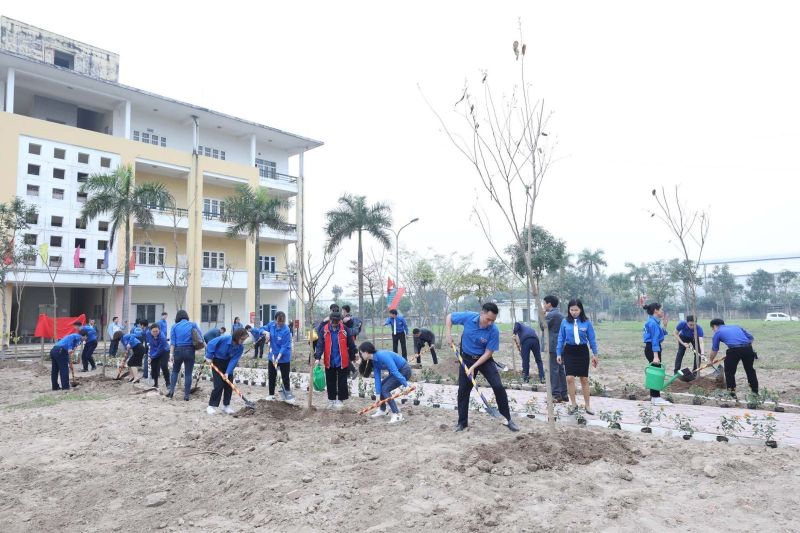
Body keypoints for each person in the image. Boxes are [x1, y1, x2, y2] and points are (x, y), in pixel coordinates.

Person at [446, 302, 519, 432]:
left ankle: (507, 419)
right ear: (482, 313)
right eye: (488, 319)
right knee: (463, 391)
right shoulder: (468, 317)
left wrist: (474, 367)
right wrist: (448, 334)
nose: (490, 323)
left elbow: (488, 353)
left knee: (498, 386)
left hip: (485, 360)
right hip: (466, 358)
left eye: (493, 320)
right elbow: (449, 317)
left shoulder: (494, 330)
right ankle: (462, 423)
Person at [556, 299, 600, 414]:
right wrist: (558, 353)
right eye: (571, 310)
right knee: (569, 378)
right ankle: (574, 405)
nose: (574, 312)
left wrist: (595, 354)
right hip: (569, 351)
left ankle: (587, 405)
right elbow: (561, 338)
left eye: (576, 310)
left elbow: (592, 339)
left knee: (584, 379)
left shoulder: (586, 322)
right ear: (568, 310)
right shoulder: (565, 322)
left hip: (582, 351)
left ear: (581, 310)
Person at [358, 341, 412, 423]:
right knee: (382, 386)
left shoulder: (382, 355)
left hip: (405, 370)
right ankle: (382, 410)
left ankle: (397, 415)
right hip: (398, 371)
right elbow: (377, 379)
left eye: (361, 353)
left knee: (385, 389)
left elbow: (394, 371)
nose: (361, 355)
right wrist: (378, 397)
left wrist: (406, 385)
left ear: (366, 352)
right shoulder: (374, 361)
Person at [314, 311, 357, 409]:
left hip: (342, 359)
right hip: (329, 360)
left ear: (339, 321)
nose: (334, 324)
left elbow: (351, 343)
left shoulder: (344, 329)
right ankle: (331, 399)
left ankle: (340, 400)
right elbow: (320, 344)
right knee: (330, 380)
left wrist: (354, 355)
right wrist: (317, 357)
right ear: (330, 320)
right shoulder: (324, 330)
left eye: (336, 322)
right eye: (333, 322)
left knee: (342, 381)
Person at [708, 318, 758, 398]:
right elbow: (751, 338)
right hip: (748, 349)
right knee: (750, 370)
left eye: (712, 329)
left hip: (734, 350)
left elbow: (715, 350)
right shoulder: (736, 327)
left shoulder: (718, 332)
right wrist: (743, 347)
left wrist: (710, 360)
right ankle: (755, 392)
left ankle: (732, 394)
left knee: (729, 372)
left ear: (714, 326)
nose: (713, 330)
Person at [204, 328, 249, 414]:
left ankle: (226, 406)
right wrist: (209, 356)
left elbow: (234, 360)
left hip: (228, 364)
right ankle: (211, 406)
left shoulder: (240, 347)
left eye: (244, 339)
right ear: (237, 336)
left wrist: (228, 372)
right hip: (217, 362)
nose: (243, 341)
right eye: (242, 339)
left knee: (229, 385)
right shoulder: (224, 339)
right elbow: (211, 344)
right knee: (218, 385)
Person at [168, 309, 203, 401]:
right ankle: (186, 395)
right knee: (188, 373)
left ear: (177, 317)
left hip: (178, 351)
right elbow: (201, 337)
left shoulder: (174, 326)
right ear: (186, 316)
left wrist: (171, 354)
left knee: (175, 371)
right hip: (190, 350)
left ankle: (171, 391)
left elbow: (173, 342)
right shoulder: (193, 324)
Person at [641, 302, 671, 406]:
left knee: (654, 372)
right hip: (653, 349)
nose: (662, 311)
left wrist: (665, 325)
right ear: (656, 311)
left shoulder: (652, 321)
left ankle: (655, 397)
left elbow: (659, 335)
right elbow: (654, 340)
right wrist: (656, 356)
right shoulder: (653, 323)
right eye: (661, 309)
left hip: (651, 348)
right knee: (655, 373)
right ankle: (656, 398)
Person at [543, 296, 568, 402]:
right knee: (561, 369)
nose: (544, 305)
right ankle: (564, 394)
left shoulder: (551, 314)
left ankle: (556, 395)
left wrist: (542, 315)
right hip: (561, 345)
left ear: (549, 304)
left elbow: (543, 326)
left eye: (544, 303)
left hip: (553, 345)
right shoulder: (560, 314)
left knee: (554, 370)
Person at [265, 311, 294, 402]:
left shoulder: (286, 330)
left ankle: (287, 396)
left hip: (284, 357)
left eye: (282, 321)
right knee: (272, 376)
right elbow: (261, 329)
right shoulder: (271, 325)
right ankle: (271, 395)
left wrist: (278, 358)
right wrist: (265, 333)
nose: (280, 323)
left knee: (285, 377)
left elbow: (284, 346)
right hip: (272, 356)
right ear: (275, 320)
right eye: (279, 321)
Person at [50, 323, 87, 391]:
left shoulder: (77, 341)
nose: (85, 339)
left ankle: (55, 387)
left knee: (55, 370)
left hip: (54, 350)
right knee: (64, 369)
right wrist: (70, 348)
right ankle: (65, 387)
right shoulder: (77, 336)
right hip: (60, 351)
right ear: (84, 336)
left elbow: (68, 353)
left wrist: (69, 363)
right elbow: (70, 338)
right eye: (86, 337)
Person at [146, 324, 171, 389]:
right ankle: (156, 383)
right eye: (153, 331)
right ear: (150, 331)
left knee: (164, 366)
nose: (155, 333)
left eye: (156, 331)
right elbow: (151, 345)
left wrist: (152, 357)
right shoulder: (148, 333)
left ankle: (168, 383)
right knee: (154, 366)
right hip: (154, 349)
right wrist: (151, 356)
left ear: (159, 330)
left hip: (164, 351)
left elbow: (160, 350)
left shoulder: (162, 337)